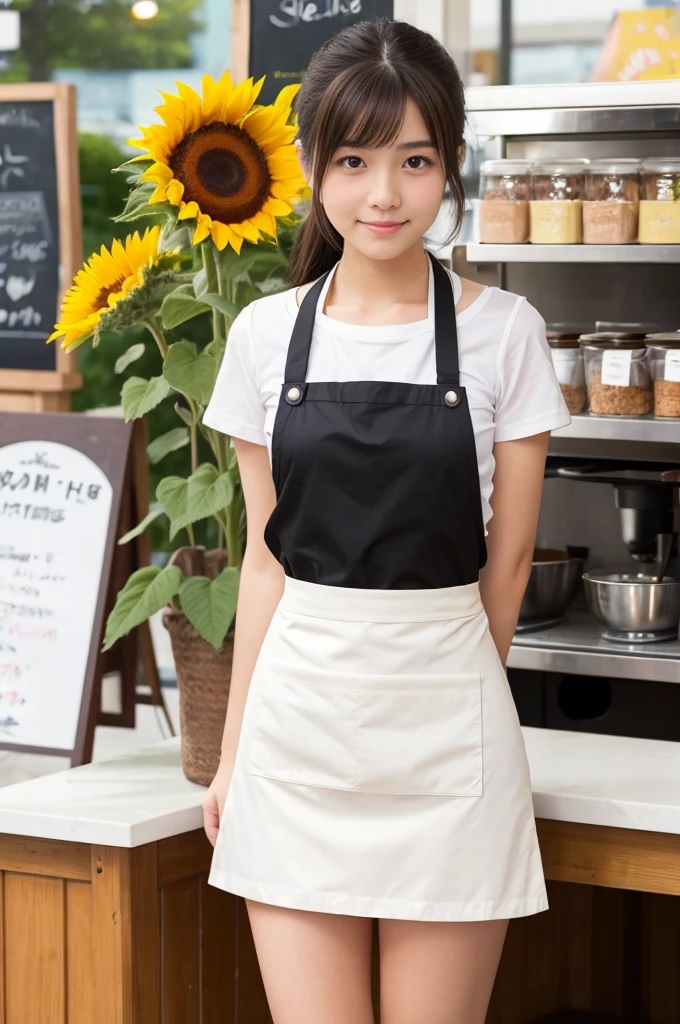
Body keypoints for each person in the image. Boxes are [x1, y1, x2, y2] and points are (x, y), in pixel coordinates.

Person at [201, 17, 571, 1024]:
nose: (382, 195)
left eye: (413, 160)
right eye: (354, 159)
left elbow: (506, 566)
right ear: (315, 167)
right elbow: (265, 565)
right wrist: (234, 755)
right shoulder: (264, 337)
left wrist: (454, 688)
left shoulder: (505, 333)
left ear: (448, 165)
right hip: (295, 730)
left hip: (448, 726)